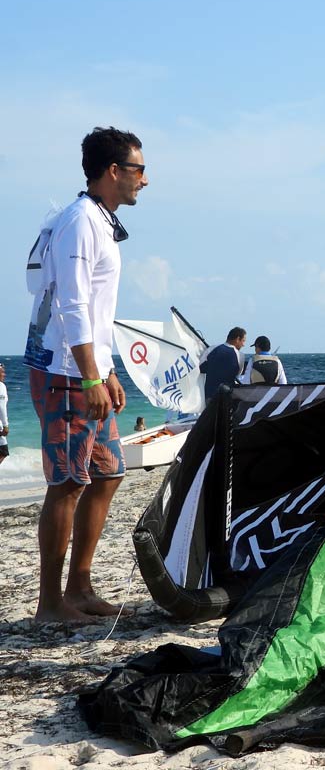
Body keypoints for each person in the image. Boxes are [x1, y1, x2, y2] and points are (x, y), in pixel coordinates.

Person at [23, 126, 148, 622]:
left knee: (108, 473)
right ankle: (50, 603)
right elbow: (71, 305)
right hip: (66, 372)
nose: (145, 180)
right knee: (68, 483)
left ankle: (80, 587)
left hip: (90, 368)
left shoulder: (98, 219)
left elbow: (97, 310)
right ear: (113, 171)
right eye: (139, 169)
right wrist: (92, 377)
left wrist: (109, 370)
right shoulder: (80, 221)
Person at [200, 327, 247, 402]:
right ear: (238, 339)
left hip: (210, 395)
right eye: (243, 341)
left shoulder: (211, 349)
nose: (243, 345)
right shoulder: (240, 356)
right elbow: (238, 374)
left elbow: (201, 368)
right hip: (227, 396)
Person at [0, 362, 9, 466]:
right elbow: (1, 407)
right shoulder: (1, 386)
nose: (4, 374)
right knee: (3, 452)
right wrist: (5, 425)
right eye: (2, 372)